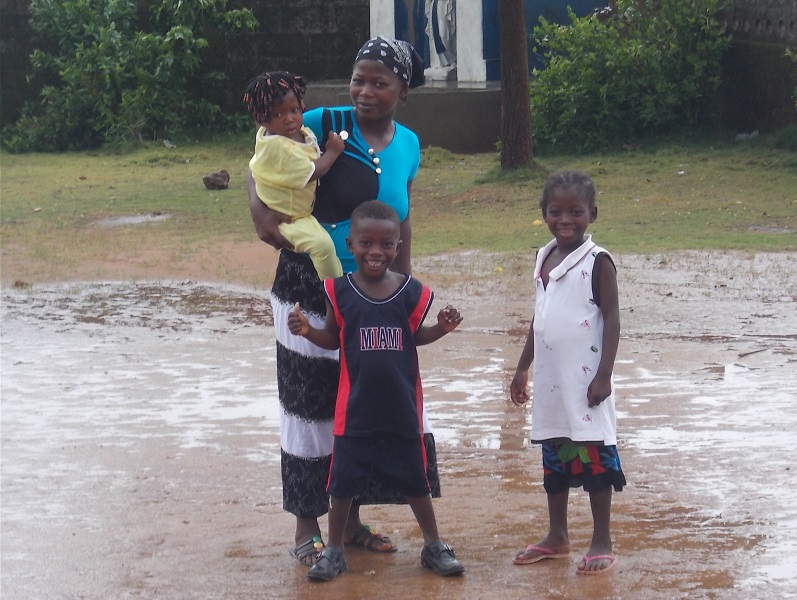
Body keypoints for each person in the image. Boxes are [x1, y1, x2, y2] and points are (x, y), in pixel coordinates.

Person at [247, 36, 434, 567]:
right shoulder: (322, 122)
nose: (364, 91)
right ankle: (307, 526)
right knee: (308, 404)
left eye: (379, 83)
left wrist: (404, 289)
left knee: (362, 405)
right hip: (308, 284)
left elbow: (403, 219)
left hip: (373, 293)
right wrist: (259, 211)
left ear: (402, 90)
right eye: (358, 80)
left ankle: (349, 524)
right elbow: (260, 160)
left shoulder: (409, 145)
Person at [287, 200, 466, 581]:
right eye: (366, 243)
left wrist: (441, 329)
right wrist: (307, 331)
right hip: (354, 411)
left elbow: (415, 336)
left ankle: (433, 545)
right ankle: (334, 551)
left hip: (402, 408)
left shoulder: (411, 292)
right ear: (350, 245)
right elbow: (334, 338)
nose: (376, 252)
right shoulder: (339, 291)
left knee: (416, 480)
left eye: (386, 244)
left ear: (398, 247)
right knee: (342, 484)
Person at [509, 170, 626, 575]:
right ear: (544, 213)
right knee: (555, 455)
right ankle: (557, 536)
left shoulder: (598, 262)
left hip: (586, 382)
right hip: (552, 384)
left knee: (595, 457)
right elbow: (540, 320)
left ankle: (601, 540)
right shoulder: (544, 259)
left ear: (592, 214)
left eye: (576, 212)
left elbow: (612, 318)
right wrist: (522, 367)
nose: (565, 220)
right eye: (556, 211)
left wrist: (604, 375)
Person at [243, 71, 345, 280]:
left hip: (298, 211)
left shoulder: (293, 133)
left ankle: (338, 279)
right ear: (261, 118)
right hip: (287, 218)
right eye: (277, 115)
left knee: (326, 248)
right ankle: (335, 289)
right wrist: (333, 152)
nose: (289, 119)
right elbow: (313, 172)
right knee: (322, 246)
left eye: (294, 110)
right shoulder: (280, 148)